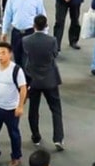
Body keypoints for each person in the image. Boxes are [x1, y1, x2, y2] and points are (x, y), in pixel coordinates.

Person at [22, 14, 65, 152]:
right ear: (46, 26)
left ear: (33, 26)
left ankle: (36, 136)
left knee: (33, 109)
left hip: (33, 79)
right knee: (56, 109)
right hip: (50, 79)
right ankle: (58, 138)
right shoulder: (52, 40)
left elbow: (25, 56)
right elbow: (54, 55)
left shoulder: (26, 40)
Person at [0, 41, 28, 166]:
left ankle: (16, 157)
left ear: (10, 54)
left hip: (12, 109)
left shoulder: (16, 70)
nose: (0, 56)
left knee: (14, 134)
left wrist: (20, 106)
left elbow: (23, 89)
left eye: (3, 53)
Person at [1, 0, 46, 68]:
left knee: (29, 58)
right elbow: (7, 15)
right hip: (16, 33)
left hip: (30, 32)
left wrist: (43, 34)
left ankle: (28, 76)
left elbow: (42, 16)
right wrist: (4, 31)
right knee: (17, 57)